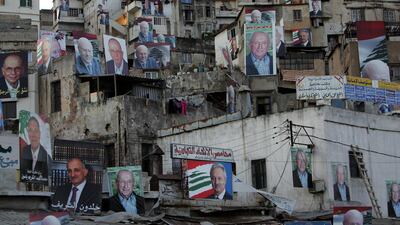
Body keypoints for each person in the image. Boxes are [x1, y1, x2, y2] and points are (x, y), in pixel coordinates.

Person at [20, 117, 50, 181]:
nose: (33, 135)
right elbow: (21, 173)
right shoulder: (25, 150)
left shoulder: (46, 153)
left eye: (36, 130)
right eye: (30, 130)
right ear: (28, 133)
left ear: (40, 133)